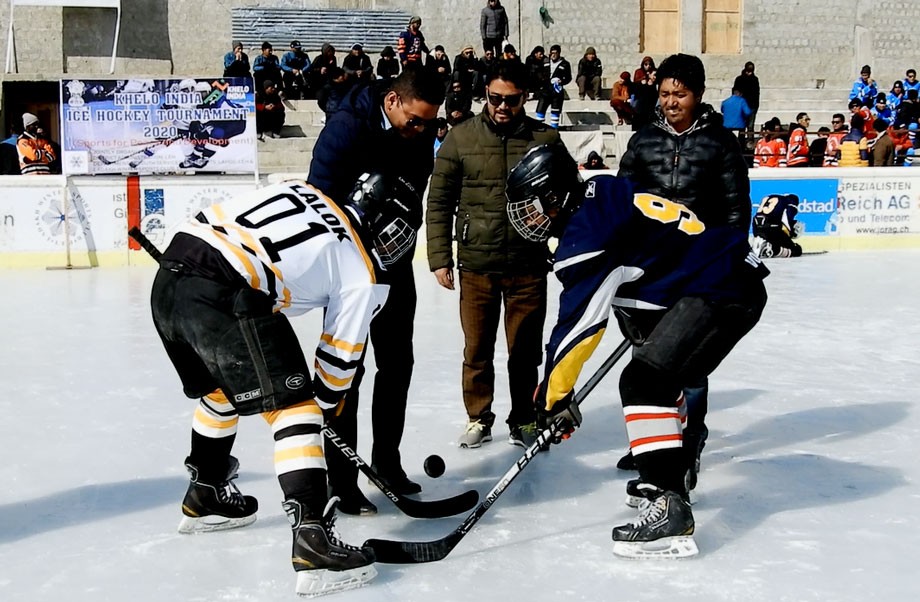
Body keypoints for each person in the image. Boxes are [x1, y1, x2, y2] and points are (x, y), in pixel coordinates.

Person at [148, 171, 423, 596]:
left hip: (170, 276)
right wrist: (319, 410)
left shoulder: (306, 190)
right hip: (224, 290)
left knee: (220, 392)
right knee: (297, 409)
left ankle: (205, 492)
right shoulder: (363, 269)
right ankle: (313, 541)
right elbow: (335, 373)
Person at [506, 144, 767, 559]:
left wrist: (552, 399)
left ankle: (668, 506)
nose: (525, 216)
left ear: (554, 198)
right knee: (661, 376)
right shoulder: (600, 194)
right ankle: (670, 482)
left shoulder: (587, 234)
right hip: (721, 278)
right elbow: (647, 258)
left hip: (721, 288)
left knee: (646, 379)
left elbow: (579, 328)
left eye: (530, 205)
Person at [307, 68, 446, 515]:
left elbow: (414, 187)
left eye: (430, 123)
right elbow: (317, 199)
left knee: (397, 363)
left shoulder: (419, 130)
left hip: (395, 262)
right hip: (348, 269)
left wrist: (398, 229)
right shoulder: (347, 127)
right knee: (346, 370)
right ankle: (342, 483)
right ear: (391, 101)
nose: (423, 131)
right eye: (416, 121)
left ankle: (388, 463)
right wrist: (361, 231)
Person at [614, 53, 751, 493]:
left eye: (681, 94)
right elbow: (622, 198)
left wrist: (723, 257)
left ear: (699, 95)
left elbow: (735, 212)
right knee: (648, 357)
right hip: (650, 267)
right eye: (666, 93)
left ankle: (689, 440)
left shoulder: (720, 144)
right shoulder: (643, 140)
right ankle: (653, 443)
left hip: (697, 267)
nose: (671, 102)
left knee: (688, 362)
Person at [426, 60, 566, 450]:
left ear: (525, 98)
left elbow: (570, 195)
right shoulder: (460, 137)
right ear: (484, 94)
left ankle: (523, 418)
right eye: (495, 98)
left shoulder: (546, 139)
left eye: (513, 100)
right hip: (476, 264)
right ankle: (477, 417)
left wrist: (558, 232)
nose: (503, 107)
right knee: (477, 349)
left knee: (524, 351)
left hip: (528, 264)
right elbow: (439, 201)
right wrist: (440, 256)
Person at [751, 194, 802, 258]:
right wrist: (790, 233)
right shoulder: (791, 202)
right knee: (796, 250)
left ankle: (760, 244)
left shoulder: (771, 197)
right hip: (771, 229)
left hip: (757, 227)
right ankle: (772, 249)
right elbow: (786, 221)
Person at [535, 44, 572, 128]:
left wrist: (561, 81)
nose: (553, 55)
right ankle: (539, 128)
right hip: (545, 90)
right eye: (552, 53)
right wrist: (542, 80)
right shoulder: (545, 62)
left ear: (559, 53)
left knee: (555, 111)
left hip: (556, 91)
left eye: (555, 53)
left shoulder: (565, 64)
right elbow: (538, 73)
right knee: (540, 110)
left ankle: (554, 128)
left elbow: (568, 78)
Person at [733, 61, 760, 131]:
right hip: (742, 105)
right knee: (742, 126)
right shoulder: (740, 79)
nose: (749, 73)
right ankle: (742, 140)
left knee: (750, 126)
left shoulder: (754, 79)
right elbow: (735, 92)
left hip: (751, 105)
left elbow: (757, 94)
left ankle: (750, 140)